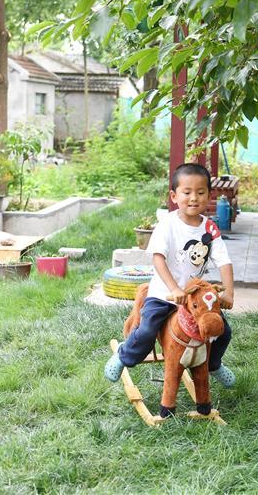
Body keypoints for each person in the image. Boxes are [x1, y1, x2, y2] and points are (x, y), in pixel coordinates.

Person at [104, 163, 236, 388]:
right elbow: (158, 258)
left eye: (200, 192)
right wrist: (174, 288)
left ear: (208, 196)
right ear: (174, 196)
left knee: (223, 332)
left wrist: (229, 292)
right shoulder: (167, 224)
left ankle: (213, 364)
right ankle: (124, 356)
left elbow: (224, 261)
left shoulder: (210, 229)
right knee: (147, 331)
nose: (194, 198)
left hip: (194, 299)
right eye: (187, 192)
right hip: (164, 294)